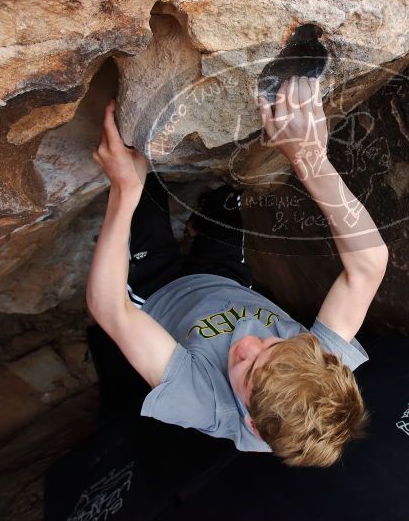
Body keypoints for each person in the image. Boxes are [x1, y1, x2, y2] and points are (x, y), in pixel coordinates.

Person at [87, 76, 389, 467]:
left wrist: (122, 191)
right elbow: (369, 265)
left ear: (251, 422)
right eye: (273, 344)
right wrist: (309, 158)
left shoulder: (204, 402)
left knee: (143, 184)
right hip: (224, 281)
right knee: (226, 208)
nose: (248, 343)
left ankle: (146, 192)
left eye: (246, 368)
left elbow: (111, 310)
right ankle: (215, 201)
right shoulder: (316, 375)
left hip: (157, 291)